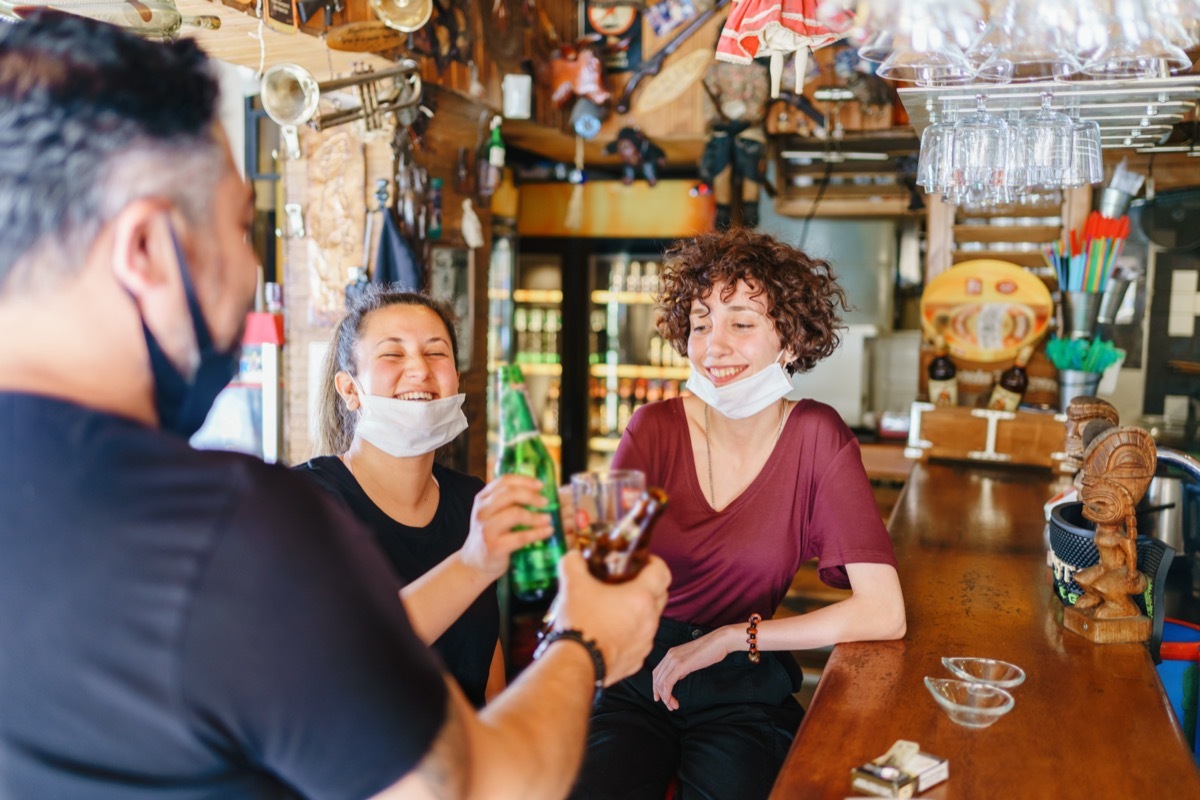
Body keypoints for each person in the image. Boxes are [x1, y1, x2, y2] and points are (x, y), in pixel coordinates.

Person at [0, 12, 669, 799]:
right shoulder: (231, 528)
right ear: (145, 251)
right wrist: (587, 638)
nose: (250, 267)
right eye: (239, 230)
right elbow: (483, 786)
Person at [570, 228, 907, 800]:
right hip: (635, 670)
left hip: (745, 675)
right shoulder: (649, 428)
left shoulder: (818, 436)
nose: (714, 346)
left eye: (741, 323)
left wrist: (730, 638)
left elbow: (885, 613)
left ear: (791, 341)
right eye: (701, 324)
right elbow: (596, 574)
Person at [297, 287, 511, 708]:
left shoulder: (473, 502)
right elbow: (338, 662)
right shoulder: (306, 502)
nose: (419, 369)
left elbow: (489, 675)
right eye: (392, 354)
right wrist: (473, 564)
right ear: (349, 390)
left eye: (436, 353)